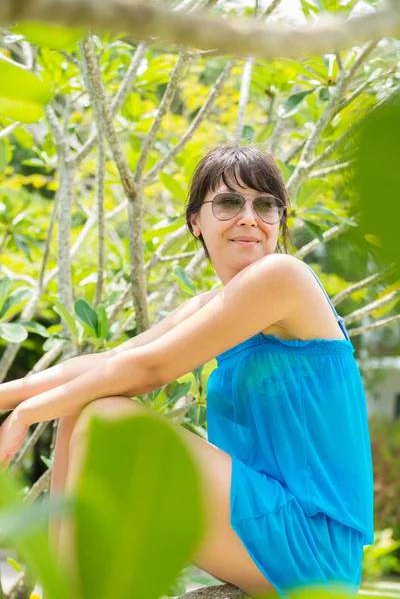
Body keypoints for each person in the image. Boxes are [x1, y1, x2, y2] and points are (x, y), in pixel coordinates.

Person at [0, 143, 374, 598]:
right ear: (195, 221)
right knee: (83, 403)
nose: (249, 217)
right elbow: (111, 360)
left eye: (266, 205)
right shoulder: (220, 303)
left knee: (108, 419)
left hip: (312, 543)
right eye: (229, 202)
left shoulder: (282, 276)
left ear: (281, 221)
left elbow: (149, 369)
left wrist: (24, 415)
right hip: (270, 522)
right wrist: (8, 397)